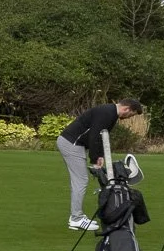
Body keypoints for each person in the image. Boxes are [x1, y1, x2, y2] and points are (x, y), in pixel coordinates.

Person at [57, 98, 144, 230]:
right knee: (81, 180)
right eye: (131, 115)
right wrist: (95, 159)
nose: (128, 118)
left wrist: (100, 155)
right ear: (126, 109)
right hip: (72, 144)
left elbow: (102, 135)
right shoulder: (108, 113)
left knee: (79, 180)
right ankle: (76, 219)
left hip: (73, 144)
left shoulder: (111, 113)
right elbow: (94, 136)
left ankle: (77, 216)